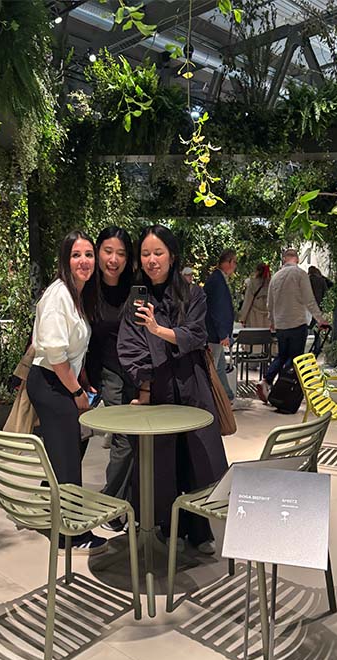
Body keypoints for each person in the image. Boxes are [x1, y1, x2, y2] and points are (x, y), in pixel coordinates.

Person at [119, 224, 229, 555]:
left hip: (192, 384)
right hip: (158, 389)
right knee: (162, 462)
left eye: (158, 252)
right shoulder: (137, 296)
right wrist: (144, 386)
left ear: (172, 255)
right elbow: (130, 345)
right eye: (145, 254)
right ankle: (167, 527)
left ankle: (200, 529)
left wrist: (158, 329)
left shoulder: (192, 293)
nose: (151, 260)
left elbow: (196, 335)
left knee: (197, 457)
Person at [25, 230, 104, 554]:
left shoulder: (76, 295)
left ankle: (49, 511)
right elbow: (56, 356)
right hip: (51, 382)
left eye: (88, 254)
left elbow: (73, 350)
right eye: (76, 255)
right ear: (65, 260)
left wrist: (82, 379)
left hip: (60, 380)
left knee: (65, 452)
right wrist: (76, 391)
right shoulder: (58, 296)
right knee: (68, 459)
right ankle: (70, 535)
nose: (84, 261)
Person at [83, 227, 137, 527]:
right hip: (106, 374)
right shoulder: (87, 288)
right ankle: (113, 507)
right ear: (98, 251)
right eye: (108, 251)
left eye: (121, 253)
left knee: (134, 442)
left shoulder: (135, 288)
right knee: (124, 440)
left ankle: (125, 502)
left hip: (137, 374)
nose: (113, 259)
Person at [259, 249, 330, 400]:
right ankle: (284, 391)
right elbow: (309, 300)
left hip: (280, 324)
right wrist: (320, 320)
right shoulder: (300, 274)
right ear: (297, 259)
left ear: (284, 259)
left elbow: (270, 303)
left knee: (282, 355)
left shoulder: (275, 277)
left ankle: (266, 381)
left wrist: (272, 321)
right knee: (295, 358)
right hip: (297, 322)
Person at [203, 249, 237, 399]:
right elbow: (217, 309)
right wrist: (223, 334)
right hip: (214, 334)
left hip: (214, 333)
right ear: (228, 262)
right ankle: (211, 400)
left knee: (220, 367)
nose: (235, 266)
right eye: (234, 262)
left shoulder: (217, 279)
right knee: (213, 369)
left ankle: (227, 397)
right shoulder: (217, 281)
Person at [308, 265, 334, 355]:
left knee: (309, 326)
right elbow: (326, 291)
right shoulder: (321, 280)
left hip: (308, 307)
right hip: (319, 307)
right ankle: (317, 347)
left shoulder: (307, 280)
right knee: (317, 327)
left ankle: (312, 347)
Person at [239, 262, 271, 329]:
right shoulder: (271, 283)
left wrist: (242, 318)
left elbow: (247, 301)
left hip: (254, 316)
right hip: (268, 317)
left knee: (254, 334)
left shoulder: (252, 283)